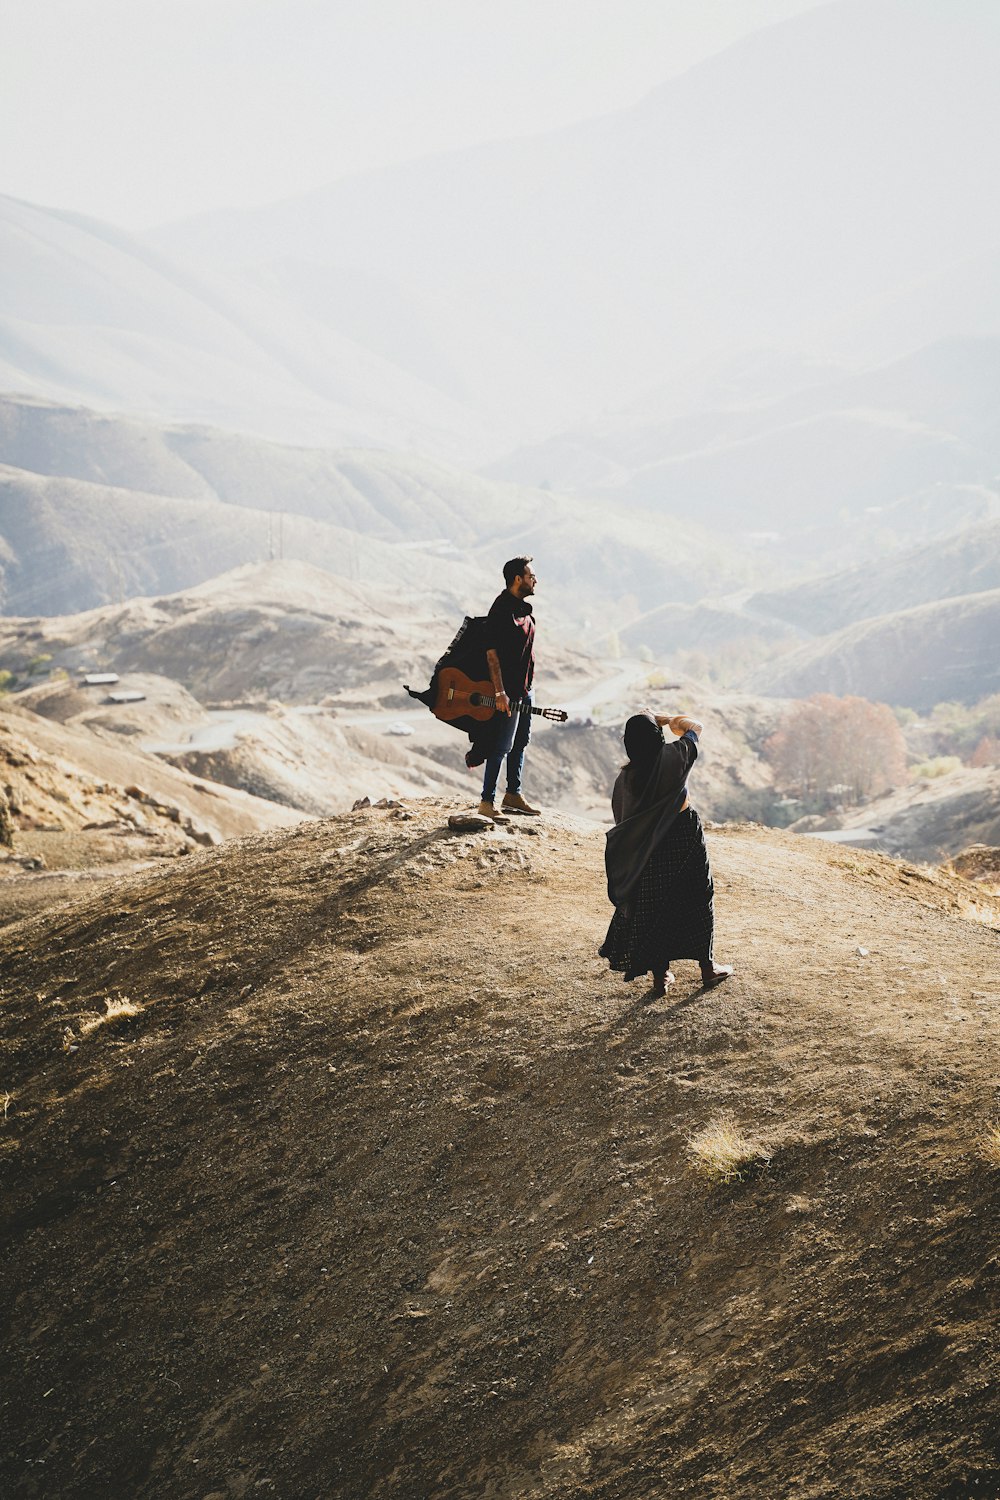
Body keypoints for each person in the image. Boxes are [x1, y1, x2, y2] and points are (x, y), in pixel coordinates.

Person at [600, 710, 733, 997]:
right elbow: (696, 727)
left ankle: (661, 978)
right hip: (683, 837)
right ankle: (708, 968)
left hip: (647, 850)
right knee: (698, 897)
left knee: (655, 906)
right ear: (656, 737)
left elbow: (622, 822)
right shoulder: (673, 757)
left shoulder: (625, 780)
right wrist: (668, 719)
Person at [477, 556, 541, 820]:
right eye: (531, 576)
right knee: (502, 745)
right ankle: (486, 802)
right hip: (507, 693)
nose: (535, 580)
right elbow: (491, 655)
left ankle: (513, 794)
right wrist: (499, 692)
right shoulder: (502, 610)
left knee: (520, 743)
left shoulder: (523, 608)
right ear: (518, 579)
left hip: (525, 689)